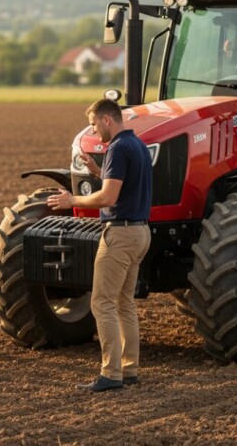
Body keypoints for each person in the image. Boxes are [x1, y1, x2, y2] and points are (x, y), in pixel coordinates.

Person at [47, 98, 152, 392]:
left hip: (120, 235)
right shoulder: (138, 145)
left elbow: (108, 198)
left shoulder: (117, 148)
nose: (93, 130)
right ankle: (129, 369)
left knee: (102, 302)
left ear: (107, 119)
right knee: (124, 303)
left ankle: (111, 374)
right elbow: (124, 185)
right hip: (141, 232)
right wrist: (97, 171)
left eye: (94, 124)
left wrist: (72, 200)